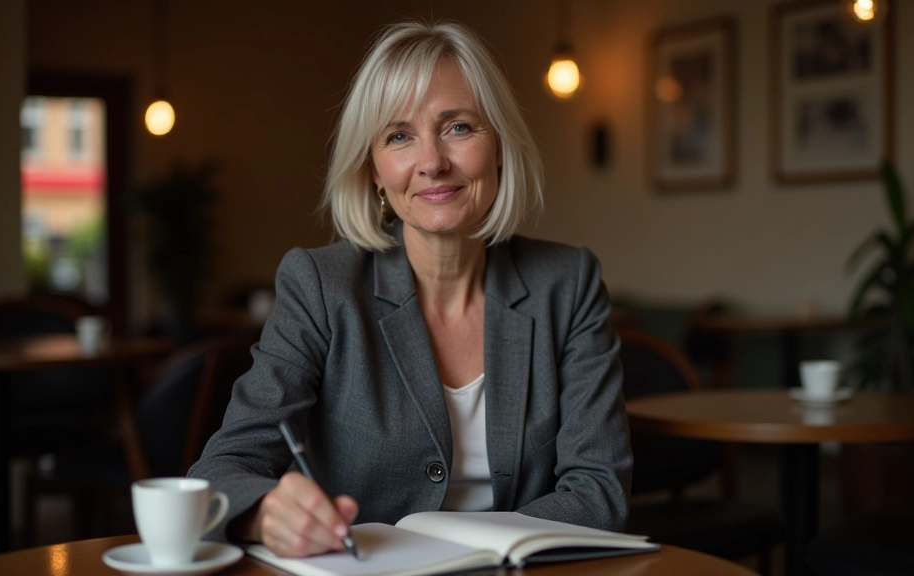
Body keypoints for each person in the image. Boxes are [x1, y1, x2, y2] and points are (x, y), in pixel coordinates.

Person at [188, 20, 631, 558]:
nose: (432, 163)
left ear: (498, 145)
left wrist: (462, 550)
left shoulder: (568, 283)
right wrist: (264, 514)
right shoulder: (321, 286)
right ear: (375, 171)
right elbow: (220, 471)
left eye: (458, 127)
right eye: (399, 136)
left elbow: (599, 492)